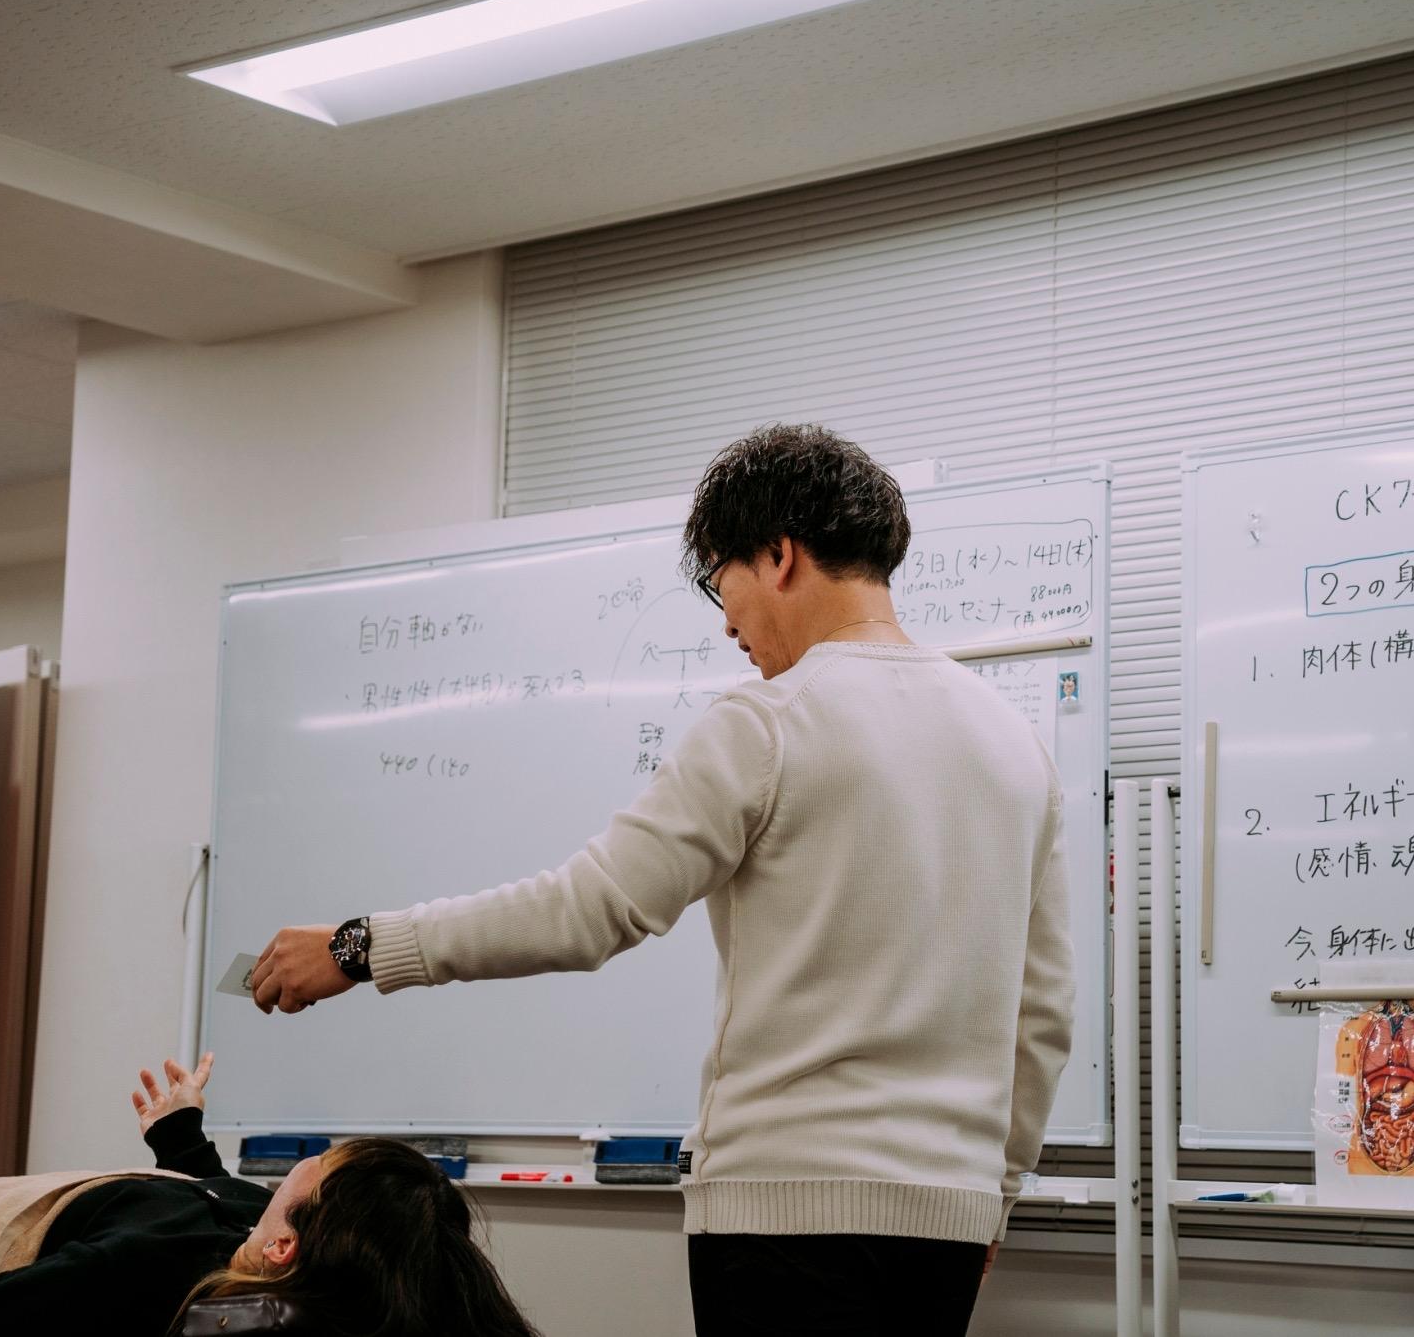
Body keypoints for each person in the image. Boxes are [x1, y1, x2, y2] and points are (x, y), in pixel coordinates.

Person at [250, 423, 1076, 1337]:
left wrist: (359, 946)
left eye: (721, 582)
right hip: (948, 1224)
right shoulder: (1015, 742)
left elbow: (589, 908)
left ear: (779, 555)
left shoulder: (770, 723)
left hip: (782, 1213)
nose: (727, 623)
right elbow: (1042, 1014)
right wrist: (993, 1193)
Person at [0, 1053, 539, 1337]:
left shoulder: (152, 1274)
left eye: (320, 1161)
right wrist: (180, 1134)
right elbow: (221, 1193)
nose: (309, 1157)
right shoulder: (278, 1248)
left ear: (283, 1244)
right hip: (68, 1195)